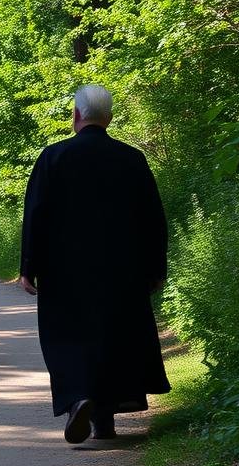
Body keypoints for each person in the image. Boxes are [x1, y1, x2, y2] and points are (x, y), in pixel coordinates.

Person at [20, 84, 171, 444]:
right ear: (110, 117)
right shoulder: (131, 159)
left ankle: (78, 399)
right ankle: (105, 421)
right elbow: (153, 219)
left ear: (76, 115)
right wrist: (155, 269)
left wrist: (29, 265)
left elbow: (35, 215)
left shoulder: (53, 157)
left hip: (64, 271)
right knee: (114, 339)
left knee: (67, 338)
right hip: (122, 270)